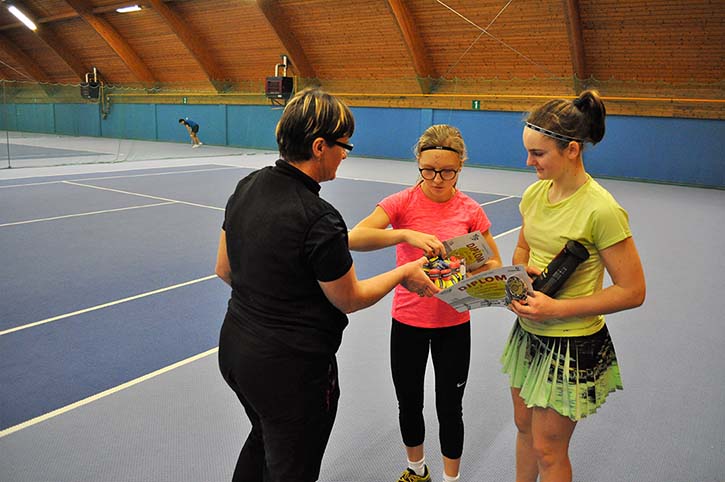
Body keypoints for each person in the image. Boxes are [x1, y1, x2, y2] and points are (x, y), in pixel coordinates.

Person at [214, 88, 439, 482]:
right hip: (291, 371)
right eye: (343, 145)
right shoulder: (319, 217)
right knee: (292, 467)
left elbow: (224, 269)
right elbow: (349, 298)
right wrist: (404, 273)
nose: (346, 154)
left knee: (263, 437)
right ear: (319, 147)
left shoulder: (248, 186)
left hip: (236, 353)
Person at [502, 90, 646, 482]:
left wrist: (556, 308)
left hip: (571, 342)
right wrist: (521, 272)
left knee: (549, 449)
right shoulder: (534, 194)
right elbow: (523, 248)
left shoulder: (602, 209)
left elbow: (633, 291)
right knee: (524, 428)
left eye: (538, 153)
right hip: (528, 332)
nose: (528, 162)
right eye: (528, 152)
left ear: (572, 150)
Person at [348, 124, 503, 482]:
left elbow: (493, 263)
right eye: (428, 170)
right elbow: (354, 237)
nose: (437, 179)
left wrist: (467, 270)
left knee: (450, 407)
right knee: (409, 403)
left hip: (454, 324)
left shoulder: (470, 210)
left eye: (447, 172)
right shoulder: (401, 203)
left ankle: (451, 479)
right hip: (408, 322)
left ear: (460, 166)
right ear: (418, 163)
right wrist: (404, 233)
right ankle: (417, 471)